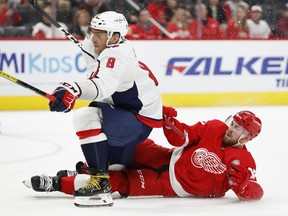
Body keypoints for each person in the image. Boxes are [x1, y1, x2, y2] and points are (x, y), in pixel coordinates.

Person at [47, 11, 163, 207]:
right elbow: (93, 58)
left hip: (138, 120)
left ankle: (100, 179)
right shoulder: (106, 45)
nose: (93, 38)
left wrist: (74, 89)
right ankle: (96, 170)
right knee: (115, 163)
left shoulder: (117, 54)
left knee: (86, 116)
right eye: (92, 32)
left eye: (99, 35)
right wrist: (89, 44)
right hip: (127, 111)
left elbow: (104, 85)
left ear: (114, 37)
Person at [23, 108, 263, 202]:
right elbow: (185, 137)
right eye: (235, 123)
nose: (233, 129)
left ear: (248, 138)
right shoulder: (214, 127)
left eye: (241, 129)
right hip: (168, 158)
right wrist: (171, 124)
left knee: (119, 182)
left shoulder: (245, 162)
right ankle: (89, 168)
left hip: (171, 186)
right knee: (131, 146)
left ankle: (57, 183)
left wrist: (241, 184)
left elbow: (255, 193)